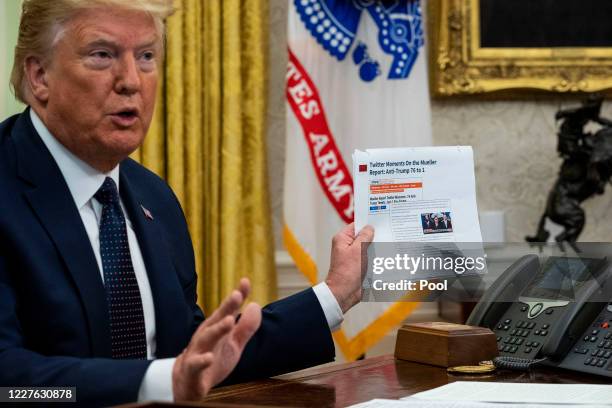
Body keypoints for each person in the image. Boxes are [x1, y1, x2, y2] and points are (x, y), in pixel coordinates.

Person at [0, 0, 374, 406]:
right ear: (39, 76)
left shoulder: (153, 197)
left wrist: (336, 293)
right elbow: (10, 382)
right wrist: (158, 381)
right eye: (102, 55)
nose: (130, 80)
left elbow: (193, 357)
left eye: (145, 56)